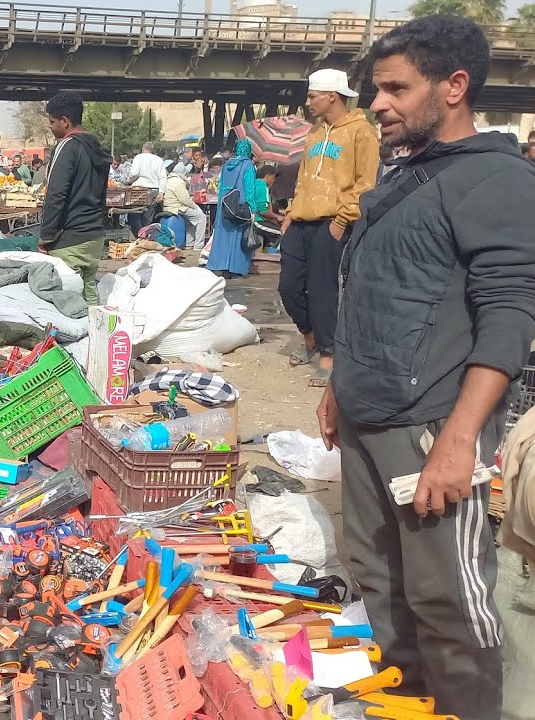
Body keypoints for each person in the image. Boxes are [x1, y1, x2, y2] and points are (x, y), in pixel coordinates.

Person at [319, 16, 535, 720]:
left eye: (394, 89)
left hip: (430, 428)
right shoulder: (411, 171)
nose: (377, 103)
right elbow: (380, 293)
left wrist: (458, 441)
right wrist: (336, 384)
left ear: (454, 87)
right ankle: (410, 707)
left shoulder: (494, 178)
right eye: (375, 89)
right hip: (366, 414)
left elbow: (508, 316)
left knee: (449, 602)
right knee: (380, 585)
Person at [278, 67, 380, 386]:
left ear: (331, 96)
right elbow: (304, 178)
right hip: (302, 219)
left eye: (312, 96)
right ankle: (309, 335)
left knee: (323, 289)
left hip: (332, 222)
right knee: (288, 286)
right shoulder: (313, 133)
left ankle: (328, 353)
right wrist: (291, 214)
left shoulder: (361, 132)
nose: (307, 102)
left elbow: (366, 183)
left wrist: (341, 219)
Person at [39, 91, 112, 304]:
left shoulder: (66, 146)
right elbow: (102, 194)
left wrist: (46, 235)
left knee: (68, 303)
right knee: (90, 297)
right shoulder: (97, 146)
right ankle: (97, 336)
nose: (51, 127)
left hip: (69, 239)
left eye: (52, 122)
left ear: (65, 121)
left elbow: (55, 194)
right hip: (94, 237)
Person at [205, 139, 260, 278]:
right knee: (238, 236)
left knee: (223, 236)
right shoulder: (248, 165)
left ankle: (221, 266)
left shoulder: (227, 164)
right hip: (240, 205)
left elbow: (222, 185)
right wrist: (253, 208)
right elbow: (250, 188)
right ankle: (236, 269)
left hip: (224, 204)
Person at [161, 163, 206, 250]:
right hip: (177, 208)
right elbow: (185, 200)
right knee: (201, 217)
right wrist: (196, 207)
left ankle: (189, 244)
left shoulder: (168, 180)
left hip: (169, 206)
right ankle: (198, 245)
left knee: (190, 220)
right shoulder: (178, 182)